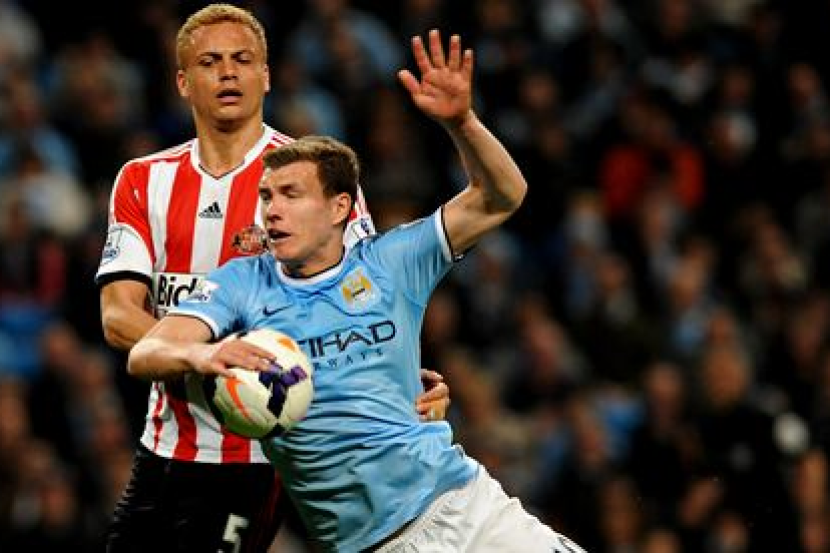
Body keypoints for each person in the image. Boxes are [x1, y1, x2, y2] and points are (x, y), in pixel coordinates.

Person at [128, 28, 587, 553]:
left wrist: (462, 123)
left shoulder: (393, 261)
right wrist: (203, 354)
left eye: (291, 194)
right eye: (266, 196)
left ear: (339, 207)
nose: (272, 210)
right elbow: (146, 352)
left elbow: (503, 195)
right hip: (372, 545)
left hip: (466, 508)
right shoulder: (241, 283)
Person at [95, 4, 449, 552]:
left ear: (266, 75)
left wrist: (404, 381)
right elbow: (119, 316)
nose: (228, 73)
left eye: (243, 60)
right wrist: (205, 356)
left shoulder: (311, 179)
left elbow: (367, 298)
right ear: (183, 83)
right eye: (211, 62)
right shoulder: (143, 180)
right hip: (165, 444)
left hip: (264, 451)